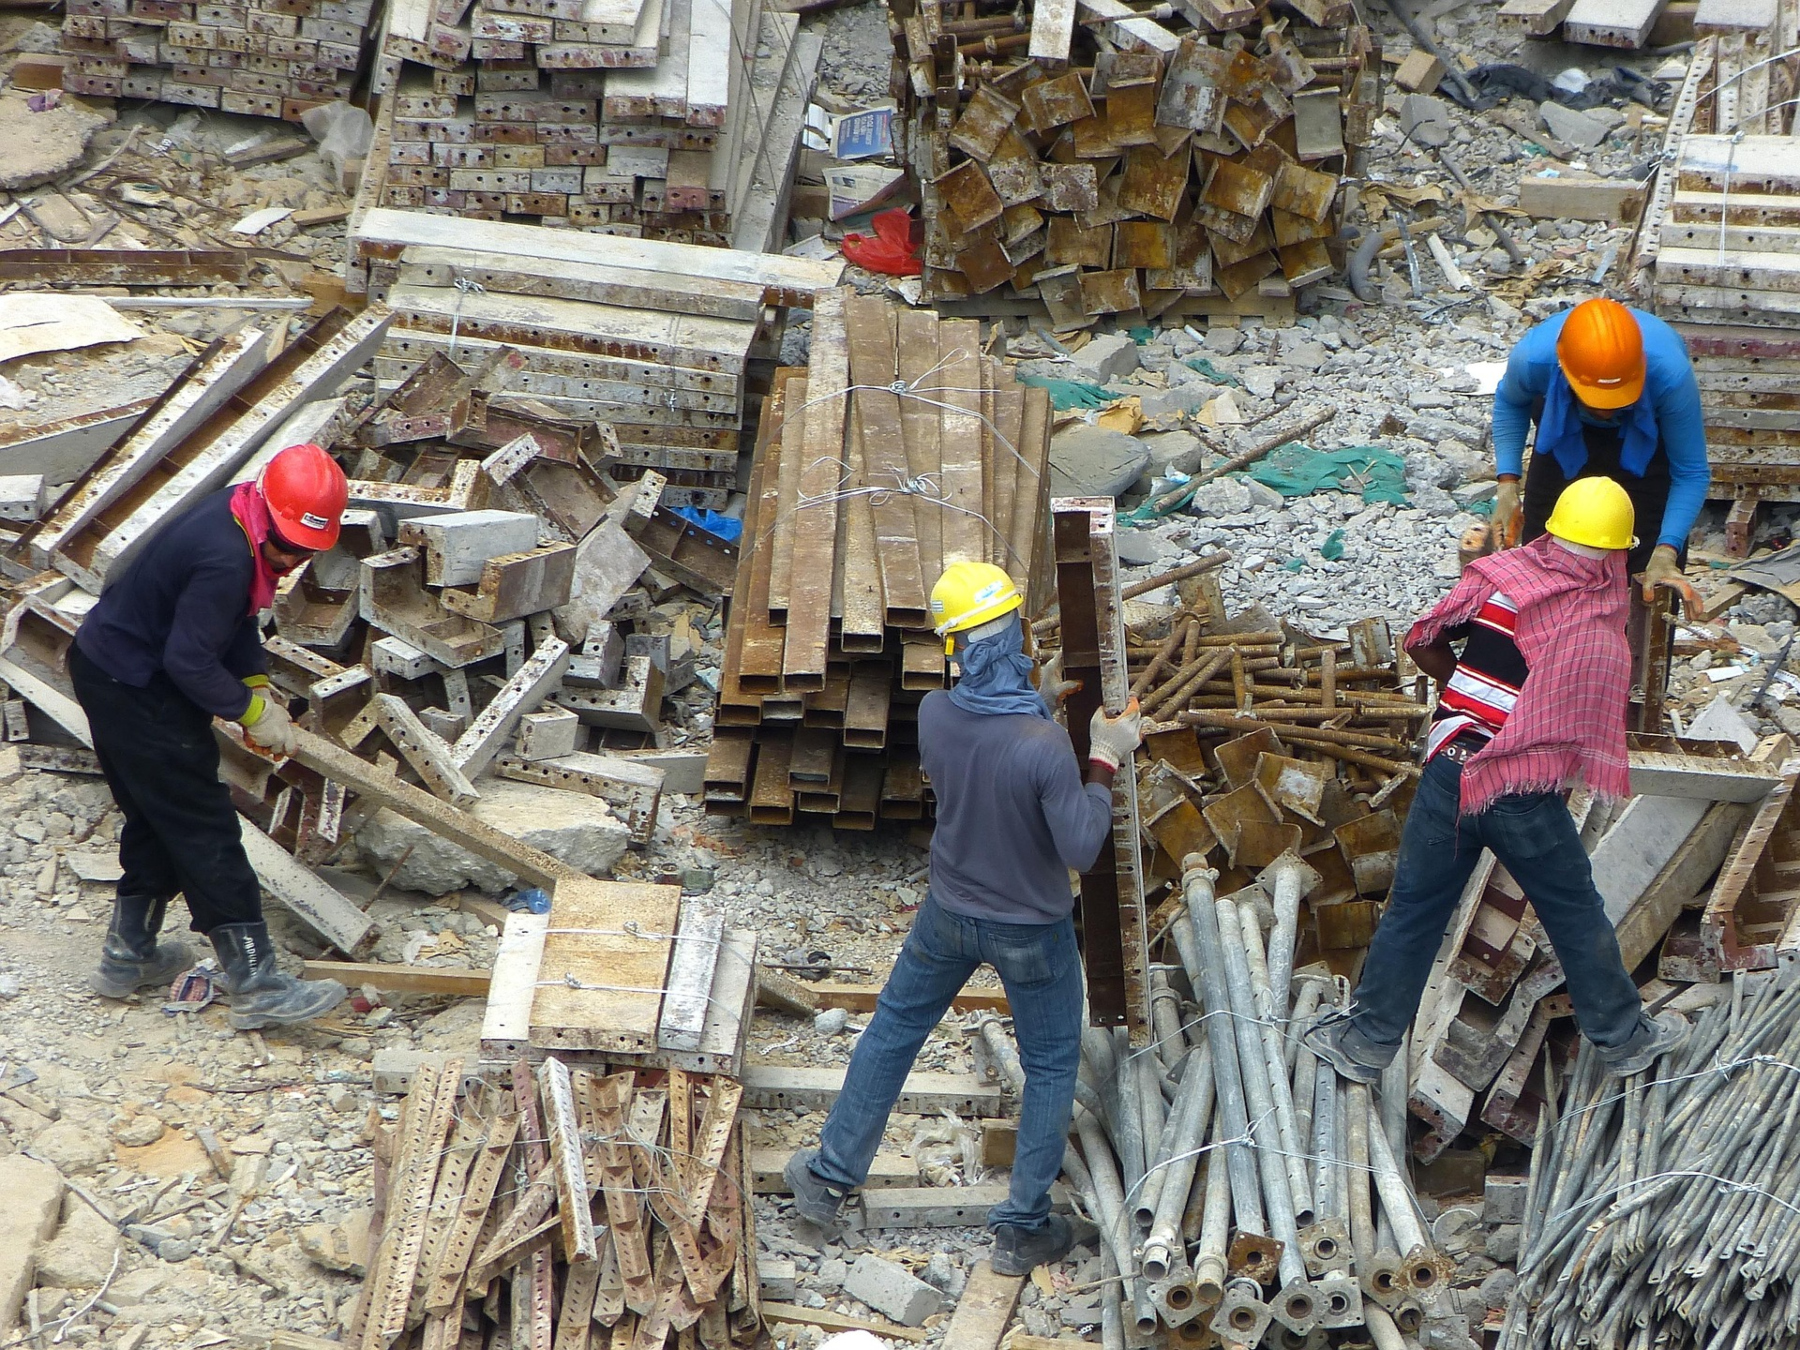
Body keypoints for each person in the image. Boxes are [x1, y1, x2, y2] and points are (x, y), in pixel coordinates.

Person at [783, 561, 1143, 1275]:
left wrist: (1036, 701)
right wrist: (1104, 757)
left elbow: (989, 745)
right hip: (1033, 930)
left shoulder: (937, 714)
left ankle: (828, 1181)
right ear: (1012, 636)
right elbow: (1080, 844)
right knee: (1046, 1068)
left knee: (893, 1031)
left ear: (955, 649)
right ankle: (1021, 1229)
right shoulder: (1042, 748)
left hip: (948, 912)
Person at [1306, 478, 1684, 1083]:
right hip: (1520, 791)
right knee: (1574, 913)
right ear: (1618, 552)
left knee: (1415, 909)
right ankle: (1623, 1040)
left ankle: (1365, 1044)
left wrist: (1468, 691)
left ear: (1553, 531)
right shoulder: (1596, 628)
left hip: (1449, 769)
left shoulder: (1500, 579)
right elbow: (1579, 723)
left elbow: (1422, 641)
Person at [72, 442, 352, 1030]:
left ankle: (127, 959)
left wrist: (254, 682)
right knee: (204, 827)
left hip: (112, 668)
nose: (292, 561)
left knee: (157, 817)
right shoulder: (226, 557)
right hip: (139, 687)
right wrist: (251, 712)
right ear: (270, 515)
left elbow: (235, 617)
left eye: (305, 551)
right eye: (288, 547)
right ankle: (257, 984)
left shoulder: (241, 510)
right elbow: (189, 662)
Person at [1489, 297, 1707, 600]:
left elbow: (1691, 471)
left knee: (1646, 561)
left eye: (1616, 400)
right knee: (1545, 540)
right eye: (1598, 402)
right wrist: (1508, 484)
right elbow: (1511, 402)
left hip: (1643, 436)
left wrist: (1666, 549)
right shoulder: (1534, 359)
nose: (1606, 412)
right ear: (1565, 369)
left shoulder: (1670, 377)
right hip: (1564, 429)